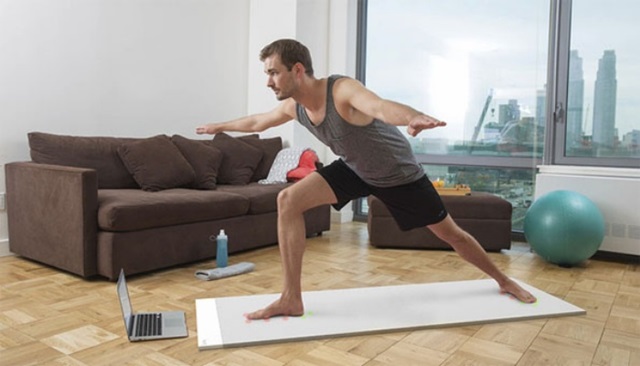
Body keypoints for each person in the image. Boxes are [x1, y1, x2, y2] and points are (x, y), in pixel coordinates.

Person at [196, 39, 537, 319]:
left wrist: (412, 117)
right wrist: (218, 126)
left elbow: (379, 106)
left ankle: (503, 280)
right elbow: (258, 122)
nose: (269, 81)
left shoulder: (341, 90)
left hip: (399, 176)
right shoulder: (294, 107)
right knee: (288, 200)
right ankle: (291, 298)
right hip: (356, 168)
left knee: (453, 236)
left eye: (273, 73)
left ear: (297, 70)